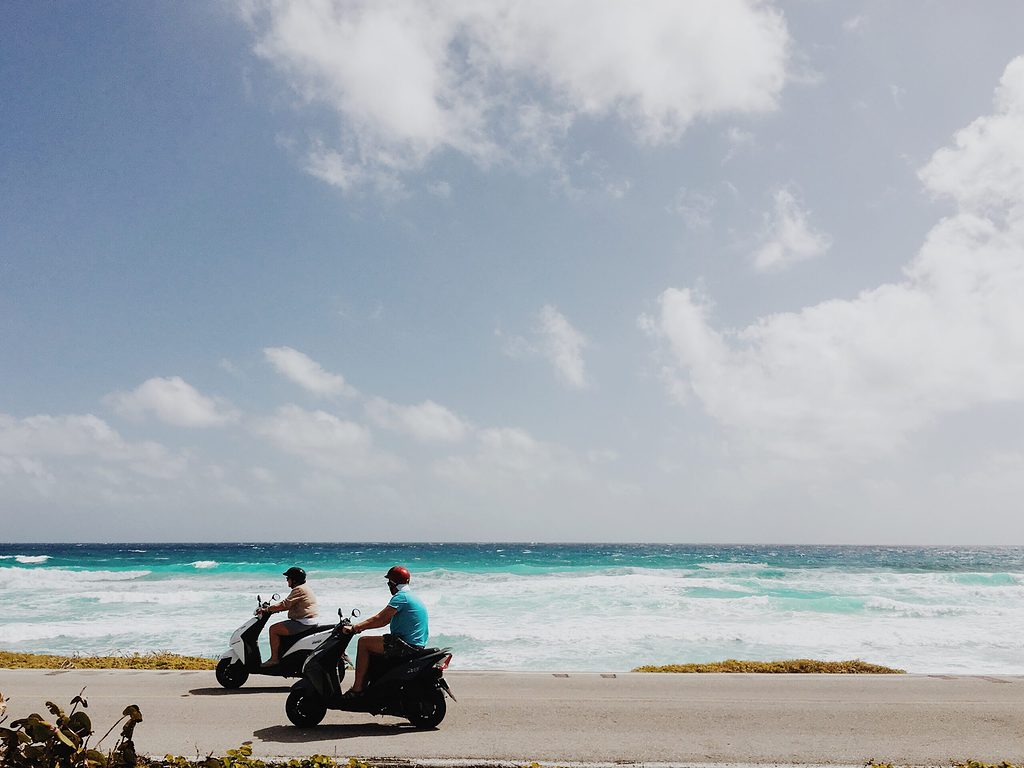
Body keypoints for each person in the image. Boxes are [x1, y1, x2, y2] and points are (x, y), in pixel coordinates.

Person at [342, 565, 428, 695]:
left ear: (392, 583)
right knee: (378, 641)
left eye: (389, 582)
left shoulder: (401, 597)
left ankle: (357, 688)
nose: (388, 585)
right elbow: (385, 620)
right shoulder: (412, 596)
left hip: (406, 644)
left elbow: (380, 619)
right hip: (416, 644)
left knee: (364, 642)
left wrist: (355, 628)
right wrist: (362, 627)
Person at [260, 566, 319, 667]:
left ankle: (274, 659)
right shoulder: (305, 588)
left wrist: (267, 609)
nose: (287, 580)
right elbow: (289, 605)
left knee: (273, 629)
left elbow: (285, 604)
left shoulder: (299, 589)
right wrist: (275, 609)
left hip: (303, 622)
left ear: (294, 580)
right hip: (307, 620)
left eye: (288, 578)